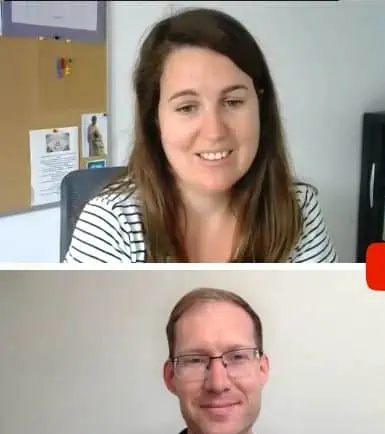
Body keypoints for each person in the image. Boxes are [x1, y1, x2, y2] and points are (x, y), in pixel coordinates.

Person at [34, 287, 367, 434]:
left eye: (237, 357)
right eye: (195, 360)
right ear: (170, 377)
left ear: (262, 370)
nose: (218, 382)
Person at [63, 8, 336, 263]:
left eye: (233, 102)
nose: (214, 131)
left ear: (260, 106)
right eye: (187, 107)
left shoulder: (298, 208)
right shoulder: (111, 224)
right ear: (154, 119)